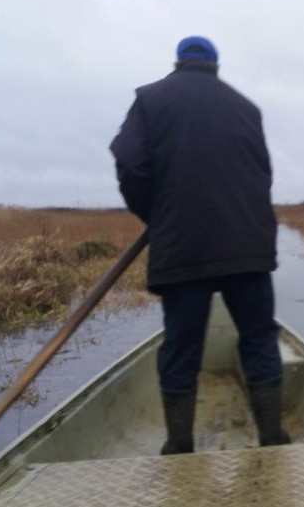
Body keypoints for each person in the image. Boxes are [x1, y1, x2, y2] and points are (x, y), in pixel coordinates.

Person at [110, 36, 289, 454]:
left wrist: (154, 215)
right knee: (260, 339)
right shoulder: (247, 107)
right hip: (248, 245)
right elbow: (262, 174)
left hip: (182, 246)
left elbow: (130, 163)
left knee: (180, 348)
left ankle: (179, 446)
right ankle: (272, 438)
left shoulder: (150, 99)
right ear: (216, 68)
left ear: (177, 64)